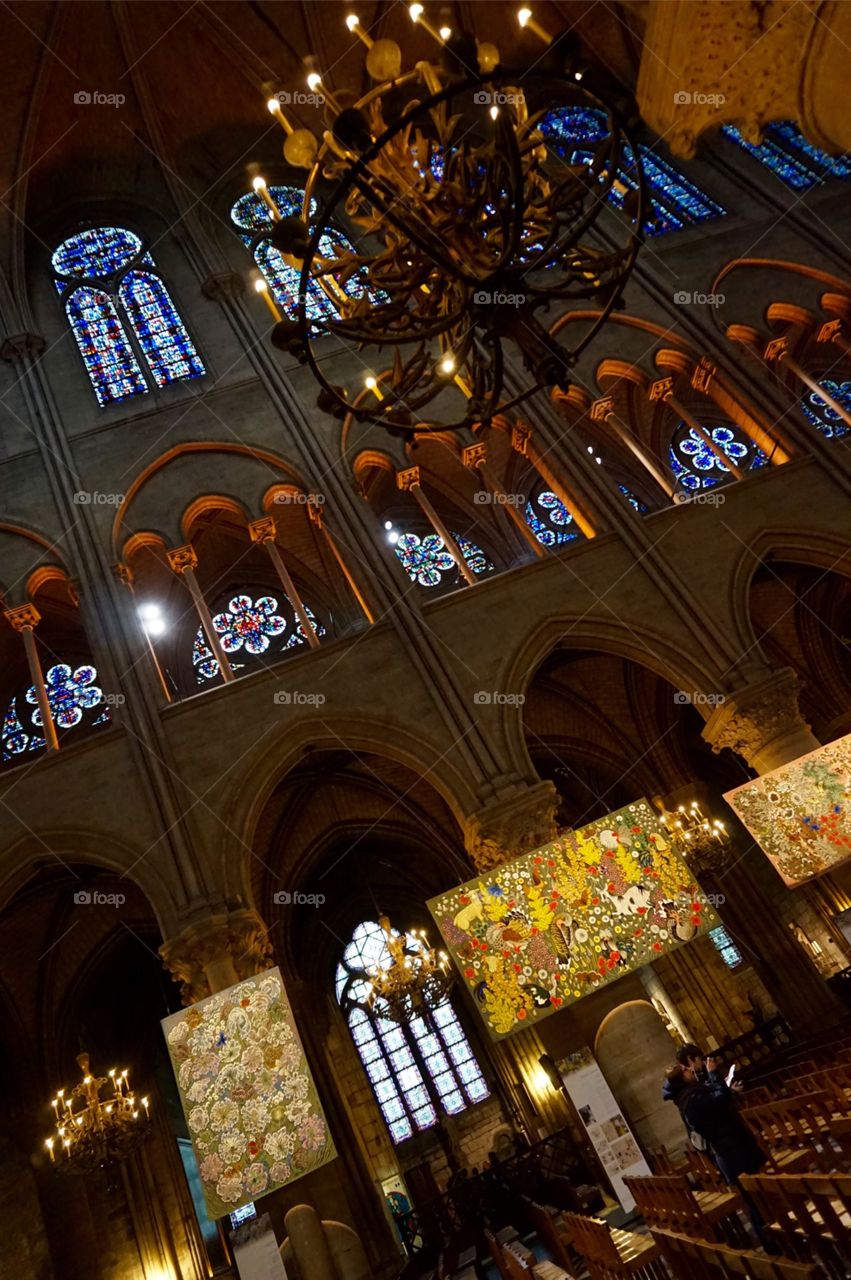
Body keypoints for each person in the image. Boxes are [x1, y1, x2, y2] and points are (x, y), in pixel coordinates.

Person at [664, 1062, 774, 1250]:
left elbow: (716, 1107)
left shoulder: (690, 1095)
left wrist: (728, 1091)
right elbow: (718, 1101)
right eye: (686, 1069)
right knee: (755, 1199)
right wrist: (714, 1074)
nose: (691, 1069)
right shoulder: (690, 1099)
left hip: (732, 1148)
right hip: (731, 1151)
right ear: (682, 1077)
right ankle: (773, 1242)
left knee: (759, 1196)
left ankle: (777, 1237)